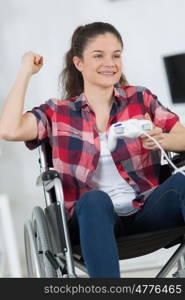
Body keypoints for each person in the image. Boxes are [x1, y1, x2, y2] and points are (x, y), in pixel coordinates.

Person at [0, 22, 185, 278]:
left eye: (116, 55)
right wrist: (25, 72)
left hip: (147, 211)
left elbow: (182, 136)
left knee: (182, 183)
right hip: (92, 220)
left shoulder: (140, 99)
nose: (110, 63)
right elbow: (9, 129)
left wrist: (162, 140)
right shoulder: (58, 112)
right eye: (98, 55)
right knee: (95, 200)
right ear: (78, 63)